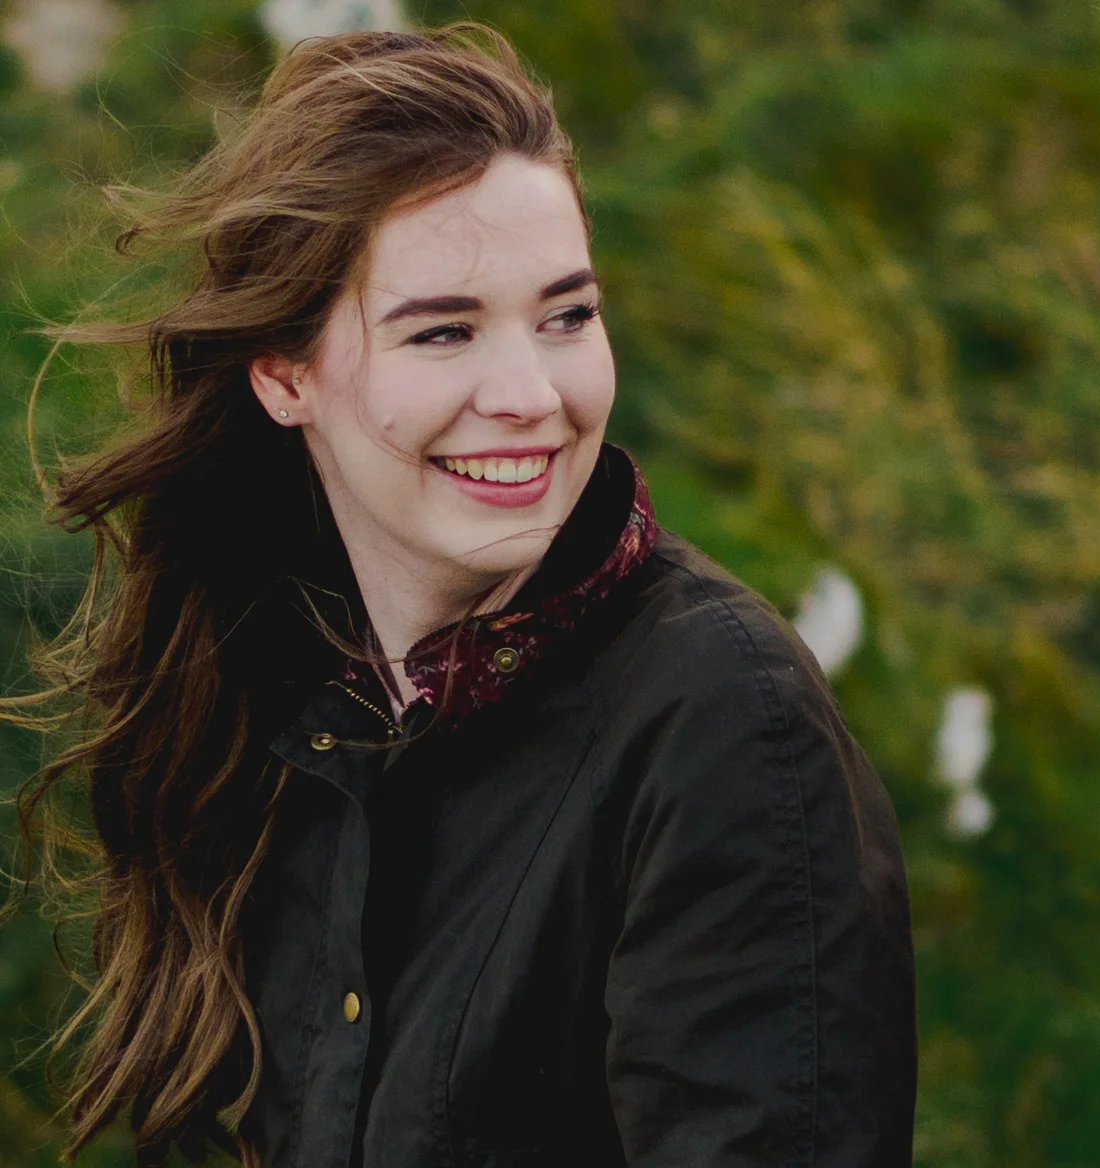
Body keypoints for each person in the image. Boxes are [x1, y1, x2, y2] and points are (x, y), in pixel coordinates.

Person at [3, 26, 916, 1168]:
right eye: (443, 331)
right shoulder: (273, 693)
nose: (532, 392)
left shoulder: (724, 721)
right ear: (286, 375)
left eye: (567, 316)